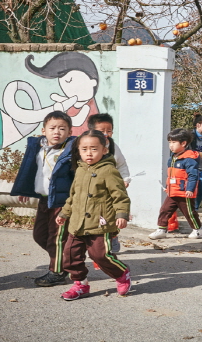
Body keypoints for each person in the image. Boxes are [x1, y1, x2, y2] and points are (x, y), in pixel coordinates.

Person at [56, 130, 131, 300]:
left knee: (100, 255)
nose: (88, 153)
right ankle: (80, 285)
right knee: (69, 256)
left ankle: (121, 273)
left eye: (94, 149)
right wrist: (65, 213)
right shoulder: (80, 169)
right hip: (77, 223)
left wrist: (122, 214)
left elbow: (120, 195)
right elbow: (73, 195)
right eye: (84, 149)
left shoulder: (109, 170)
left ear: (104, 150)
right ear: (79, 151)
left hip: (99, 223)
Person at [10, 110, 76, 287]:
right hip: (44, 200)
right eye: (52, 128)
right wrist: (26, 188)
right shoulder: (39, 148)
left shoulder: (71, 151)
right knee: (40, 235)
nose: (57, 132)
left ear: (70, 132)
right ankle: (68, 259)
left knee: (56, 238)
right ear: (43, 130)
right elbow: (31, 170)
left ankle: (57, 272)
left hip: (62, 202)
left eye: (62, 128)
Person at [148, 129, 202, 240]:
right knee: (164, 210)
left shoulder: (189, 159)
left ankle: (198, 230)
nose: (171, 145)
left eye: (174, 142)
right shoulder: (173, 158)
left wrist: (190, 189)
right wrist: (168, 187)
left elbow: (193, 176)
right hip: (172, 191)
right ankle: (162, 229)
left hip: (184, 192)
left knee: (189, 212)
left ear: (183, 143)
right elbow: (172, 176)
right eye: (169, 142)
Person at [87, 113, 129, 255]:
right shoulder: (85, 145)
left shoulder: (113, 147)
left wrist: (125, 179)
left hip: (110, 190)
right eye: (101, 131)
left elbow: (122, 164)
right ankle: (94, 240)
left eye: (109, 130)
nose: (106, 134)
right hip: (91, 188)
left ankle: (113, 236)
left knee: (109, 215)